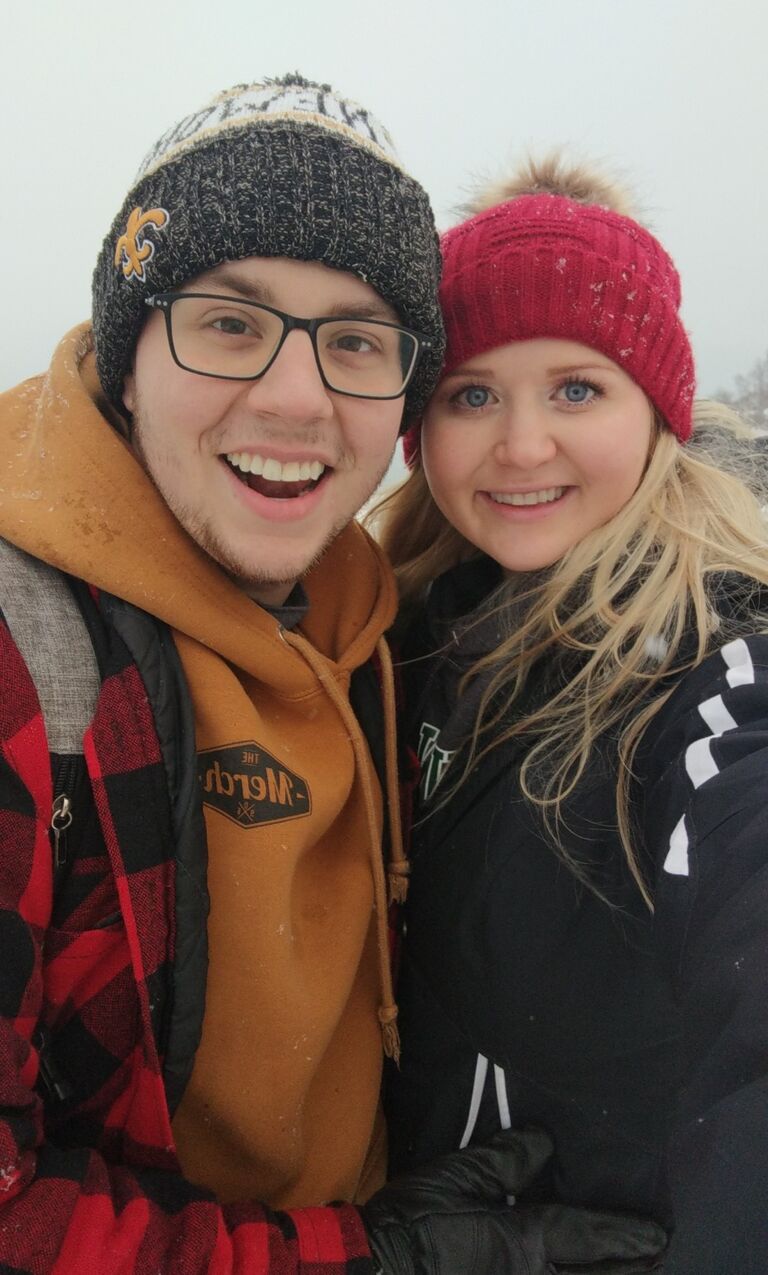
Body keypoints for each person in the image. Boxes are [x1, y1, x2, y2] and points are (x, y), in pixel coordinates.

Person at [0, 80, 666, 1275]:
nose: (297, 398)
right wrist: (360, 1264)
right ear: (126, 354)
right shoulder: (23, 655)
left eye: (356, 341)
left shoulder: (373, 629)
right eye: (229, 322)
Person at [377, 155, 768, 1273]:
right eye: (473, 393)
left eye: (577, 389)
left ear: (659, 410)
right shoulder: (406, 637)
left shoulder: (713, 666)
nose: (523, 444)